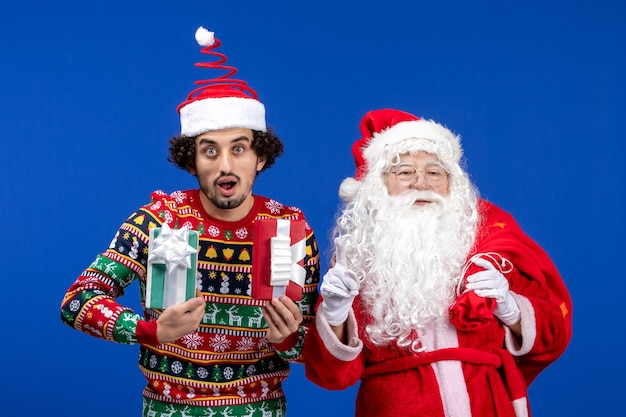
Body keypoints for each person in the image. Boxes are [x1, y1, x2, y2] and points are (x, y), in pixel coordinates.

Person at [61, 26, 320, 417]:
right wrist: (150, 331)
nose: (225, 165)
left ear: (261, 157)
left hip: (262, 408)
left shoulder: (292, 231)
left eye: (239, 148)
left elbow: (316, 348)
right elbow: (78, 301)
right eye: (209, 151)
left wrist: (288, 340)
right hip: (169, 409)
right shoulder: (158, 220)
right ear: (190, 160)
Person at [303, 108, 572, 417]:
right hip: (397, 406)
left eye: (434, 172)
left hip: (486, 402)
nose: (422, 183)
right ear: (380, 185)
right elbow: (331, 376)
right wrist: (335, 315)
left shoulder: (492, 244)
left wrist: (511, 308)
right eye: (405, 172)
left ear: (451, 183)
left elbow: (553, 333)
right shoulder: (359, 254)